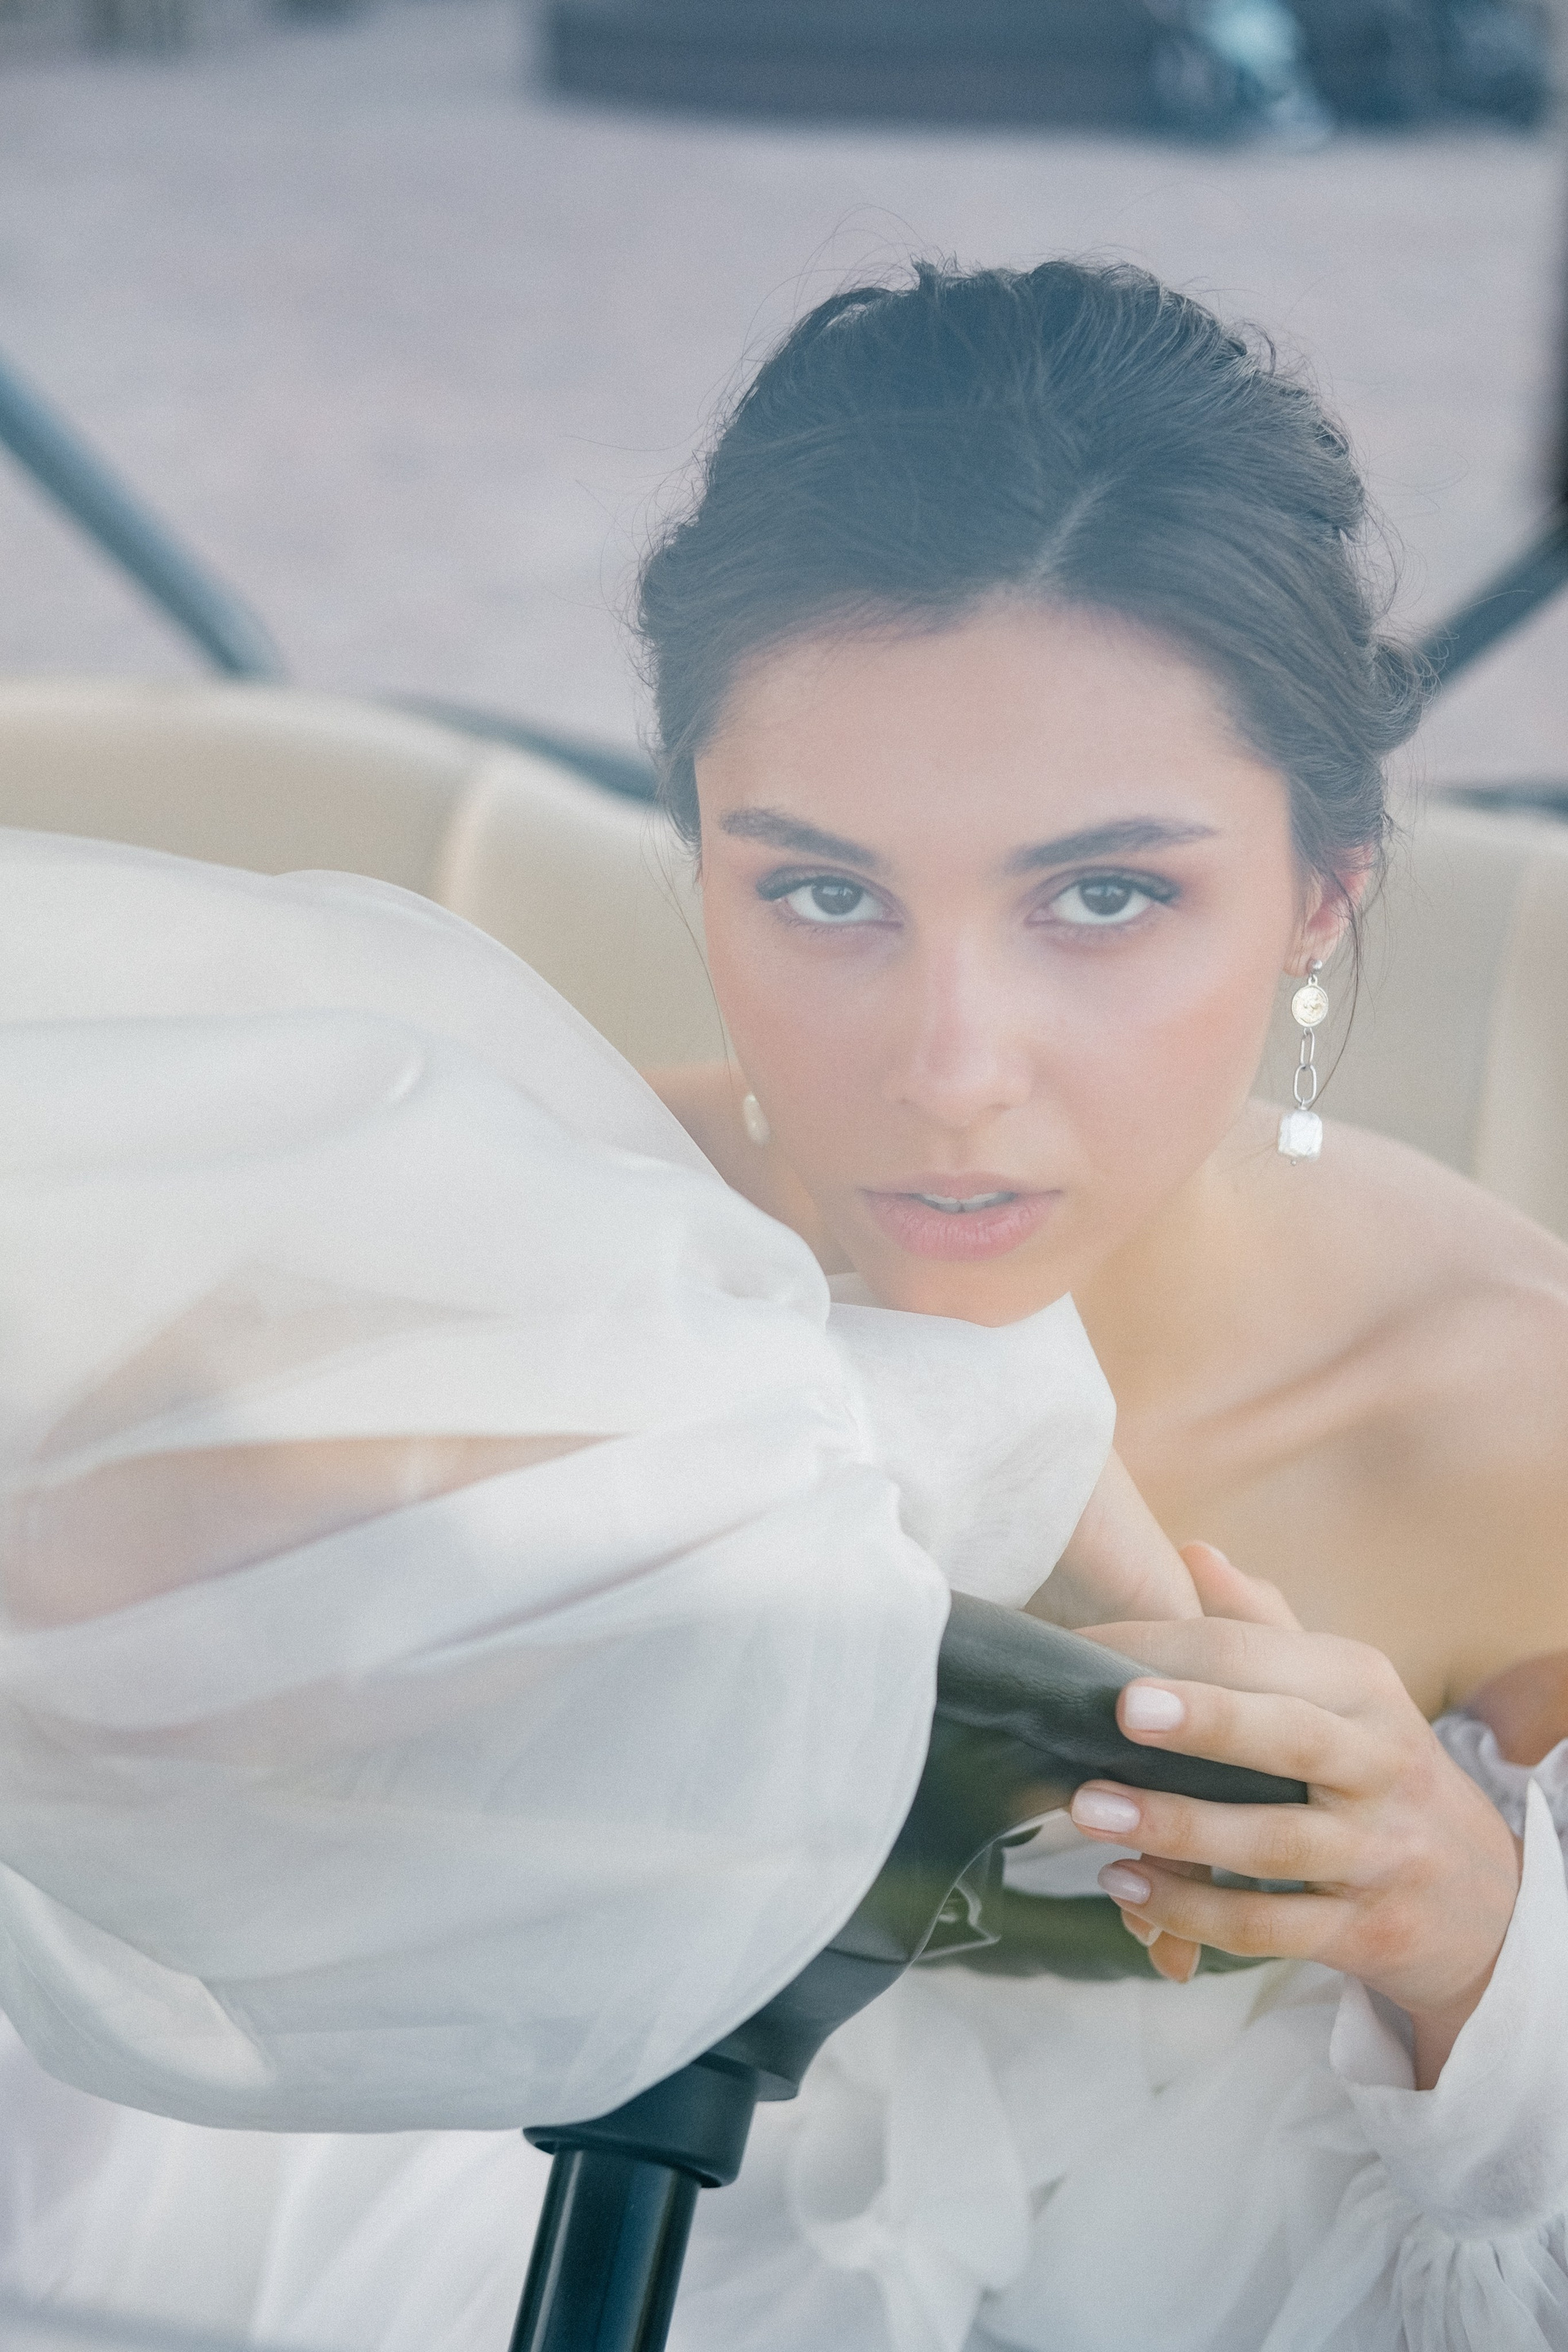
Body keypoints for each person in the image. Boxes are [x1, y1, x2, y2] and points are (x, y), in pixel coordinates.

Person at [2, 258, 1566, 2350]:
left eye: (1105, 897)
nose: (951, 1068)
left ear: (1323, 895)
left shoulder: (1510, 1423)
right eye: (825, 893)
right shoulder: (461, 1246)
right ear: (701, 859)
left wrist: (1463, 1924)